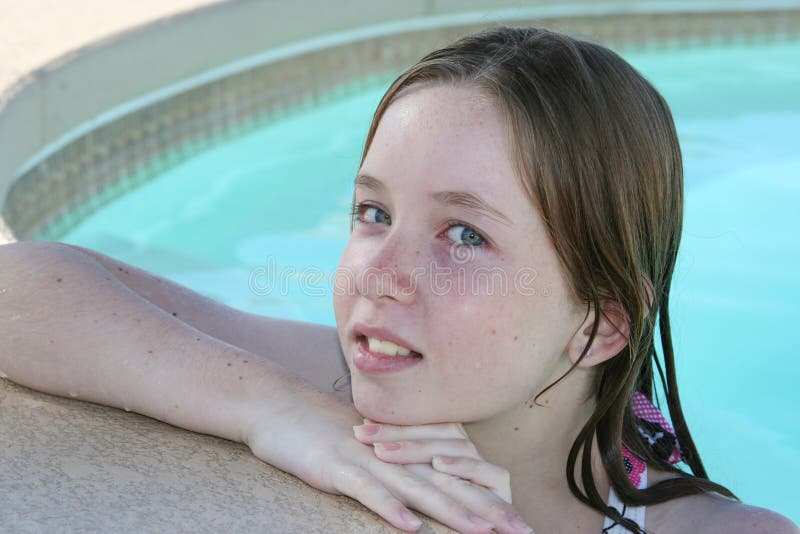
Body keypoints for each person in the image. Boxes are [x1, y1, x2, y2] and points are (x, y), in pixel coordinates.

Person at [0, 26, 796, 534]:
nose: (380, 277)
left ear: (599, 326)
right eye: (373, 212)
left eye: (464, 235)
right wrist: (277, 412)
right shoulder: (334, 384)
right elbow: (21, 284)